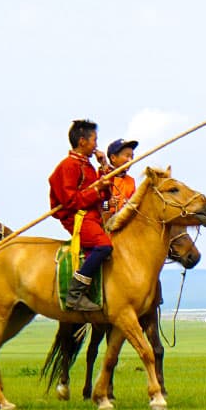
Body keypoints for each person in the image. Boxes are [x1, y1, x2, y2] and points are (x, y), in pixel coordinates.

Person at [49, 119, 113, 312]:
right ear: (83, 141)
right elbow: (70, 201)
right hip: (78, 217)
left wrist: (103, 166)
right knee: (104, 246)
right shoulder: (68, 166)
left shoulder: (88, 165)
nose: (96, 145)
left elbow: (105, 193)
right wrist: (96, 190)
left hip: (93, 215)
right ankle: (75, 294)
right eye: (94, 140)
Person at [102, 139, 139, 215]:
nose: (130, 160)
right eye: (127, 156)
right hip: (104, 223)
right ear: (113, 158)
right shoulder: (102, 176)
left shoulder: (131, 181)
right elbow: (93, 206)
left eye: (132, 156)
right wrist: (108, 204)